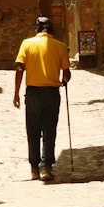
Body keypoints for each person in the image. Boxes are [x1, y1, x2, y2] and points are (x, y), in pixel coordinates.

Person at [14, 15, 71, 182]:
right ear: (51, 29)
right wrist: (63, 81)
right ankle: (46, 167)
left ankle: (34, 168)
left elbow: (19, 69)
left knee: (32, 131)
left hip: (32, 94)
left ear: (36, 29)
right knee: (49, 130)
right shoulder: (60, 46)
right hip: (52, 93)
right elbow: (66, 73)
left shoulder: (27, 44)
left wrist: (16, 93)